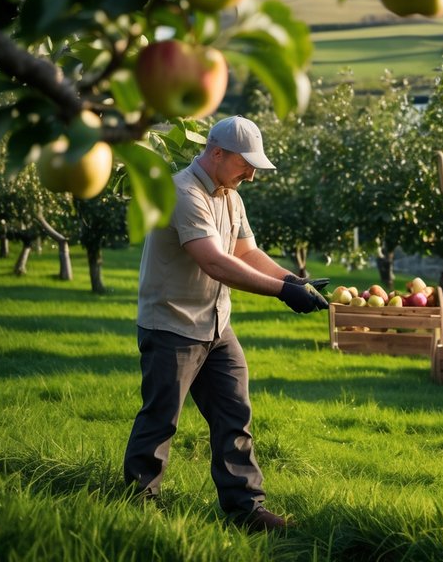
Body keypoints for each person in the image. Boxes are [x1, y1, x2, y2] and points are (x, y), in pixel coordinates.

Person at [124, 115, 329, 532]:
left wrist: (293, 281)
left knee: (235, 415)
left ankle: (246, 510)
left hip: (216, 326)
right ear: (216, 153)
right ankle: (137, 506)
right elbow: (215, 261)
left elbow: (245, 252)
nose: (252, 174)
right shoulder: (182, 192)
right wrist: (280, 293)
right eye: (246, 164)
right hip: (172, 325)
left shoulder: (230, 194)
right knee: (160, 418)